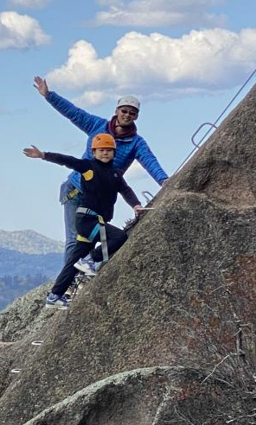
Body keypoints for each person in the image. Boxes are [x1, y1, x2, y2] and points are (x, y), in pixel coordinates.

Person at [33, 76, 167, 264]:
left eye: (132, 113)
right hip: (75, 190)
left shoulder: (136, 143)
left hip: (99, 200)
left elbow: (149, 161)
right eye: (124, 110)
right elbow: (74, 113)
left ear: (136, 117)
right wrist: (48, 95)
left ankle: (83, 271)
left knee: (90, 241)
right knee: (75, 241)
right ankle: (67, 288)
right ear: (117, 111)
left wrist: (164, 181)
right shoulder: (98, 126)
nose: (127, 115)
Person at [23, 134, 144, 309]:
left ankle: (54, 296)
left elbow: (126, 190)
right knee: (119, 237)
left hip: (94, 221)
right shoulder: (89, 167)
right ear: (94, 152)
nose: (105, 153)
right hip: (87, 219)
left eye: (108, 150)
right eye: (101, 150)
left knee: (73, 262)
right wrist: (43, 155)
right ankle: (90, 260)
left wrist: (136, 205)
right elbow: (68, 160)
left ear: (114, 153)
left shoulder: (116, 174)